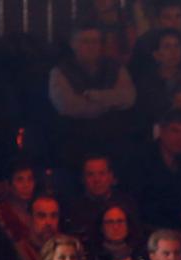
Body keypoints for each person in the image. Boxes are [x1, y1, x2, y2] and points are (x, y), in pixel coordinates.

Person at [48, 22, 137, 168]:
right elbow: (68, 106)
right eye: (85, 41)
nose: (91, 46)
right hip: (74, 148)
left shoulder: (115, 67)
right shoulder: (59, 71)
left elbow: (128, 97)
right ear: (73, 44)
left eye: (95, 41)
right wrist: (109, 103)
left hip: (113, 147)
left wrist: (95, 96)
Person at [17, 194, 64, 260]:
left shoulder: (67, 249)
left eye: (54, 216)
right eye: (42, 216)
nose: (49, 222)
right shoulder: (20, 252)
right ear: (29, 219)